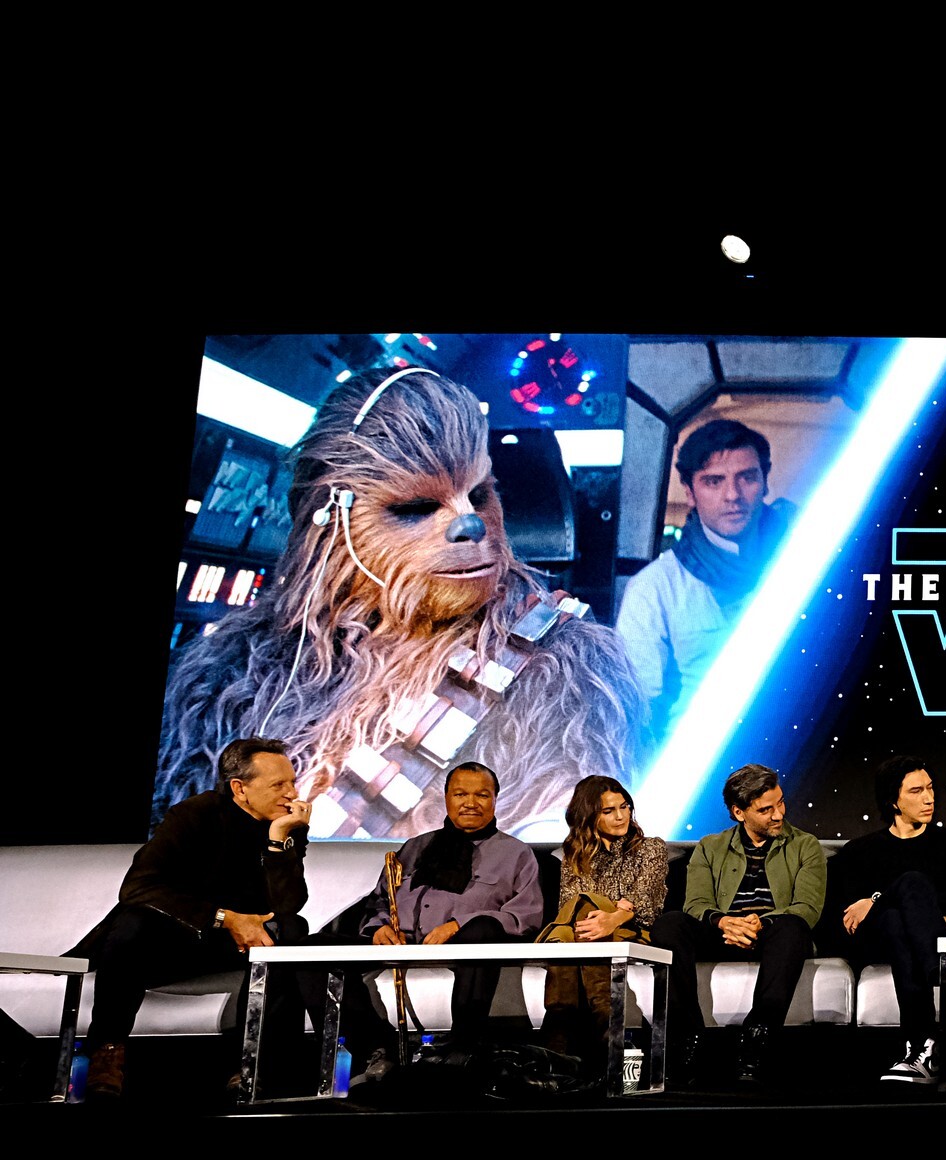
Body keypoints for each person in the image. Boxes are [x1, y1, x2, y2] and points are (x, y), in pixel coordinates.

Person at [156, 366, 639, 840]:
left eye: (478, 495)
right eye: (414, 508)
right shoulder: (226, 674)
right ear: (330, 527)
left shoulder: (566, 665)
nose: (469, 524)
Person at [66, 739, 315, 1100]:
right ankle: (106, 1053)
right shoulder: (194, 815)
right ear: (239, 788)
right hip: (175, 940)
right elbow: (138, 888)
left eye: (292, 782)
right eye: (279, 785)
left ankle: (252, 1066)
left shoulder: (287, 824)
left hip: (236, 946)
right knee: (133, 922)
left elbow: (288, 905)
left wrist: (279, 840)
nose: (291, 793)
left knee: (292, 928)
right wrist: (226, 918)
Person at [825, 754, 946, 1086]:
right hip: (872, 944)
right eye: (917, 791)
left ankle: (920, 1049)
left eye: (930, 788)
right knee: (912, 886)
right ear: (893, 801)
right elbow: (848, 918)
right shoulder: (859, 851)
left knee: (895, 918)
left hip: (918, 939)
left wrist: (875, 900)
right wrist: (890, 901)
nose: (929, 798)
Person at [615, 419, 797, 736]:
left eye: (747, 477)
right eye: (714, 481)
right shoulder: (654, 589)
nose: (733, 495)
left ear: (765, 482)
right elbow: (638, 708)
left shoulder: (809, 564)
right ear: (690, 492)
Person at [650, 763, 827, 1083]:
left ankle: (757, 1038)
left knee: (793, 926)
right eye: (766, 810)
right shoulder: (710, 847)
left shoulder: (805, 845)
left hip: (773, 933)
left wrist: (758, 924)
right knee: (670, 924)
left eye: (780, 803)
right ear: (739, 812)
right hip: (722, 932)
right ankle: (687, 1038)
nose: (778, 814)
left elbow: (807, 907)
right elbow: (696, 904)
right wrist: (724, 922)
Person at [363, 762, 545, 1050]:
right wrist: (379, 927)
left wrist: (458, 925)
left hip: (467, 950)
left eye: (482, 795)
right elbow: (379, 901)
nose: (470, 803)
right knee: (316, 945)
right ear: (446, 798)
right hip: (400, 947)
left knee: (483, 929)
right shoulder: (414, 847)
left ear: (495, 799)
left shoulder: (517, 854)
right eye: (461, 794)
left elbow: (525, 916)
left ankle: (463, 1047)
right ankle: (374, 1047)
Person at [533, 775, 669, 1078]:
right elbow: (571, 907)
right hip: (587, 934)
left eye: (624, 807)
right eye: (608, 811)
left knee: (579, 921)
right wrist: (611, 912)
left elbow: (647, 904)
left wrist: (615, 918)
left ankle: (559, 1036)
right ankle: (609, 1026)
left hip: (633, 933)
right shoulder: (574, 854)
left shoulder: (651, 848)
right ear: (589, 815)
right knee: (580, 915)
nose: (620, 816)